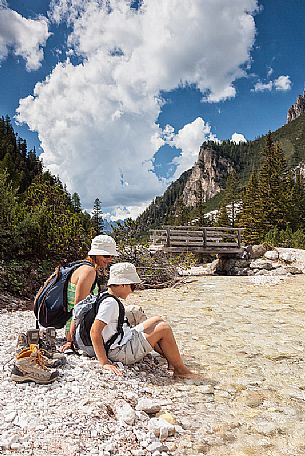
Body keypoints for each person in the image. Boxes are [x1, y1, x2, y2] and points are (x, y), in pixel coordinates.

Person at [74, 262, 199, 379]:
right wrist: (104, 362)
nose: (132, 290)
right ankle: (180, 371)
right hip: (118, 351)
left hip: (119, 340)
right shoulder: (110, 303)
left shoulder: (103, 295)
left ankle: (171, 361)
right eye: (132, 286)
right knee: (164, 328)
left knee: (157, 320)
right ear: (123, 284)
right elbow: (95, 331)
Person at [59, 234, 118, 352]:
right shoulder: (89, 271)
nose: (109, 259)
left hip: (75, 328)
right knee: (134, 313)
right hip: (79, 332)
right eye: (106, 255)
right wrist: (70, 340)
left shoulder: (82, 267)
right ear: (95, 254)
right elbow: (78, 307)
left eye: (111, 256)